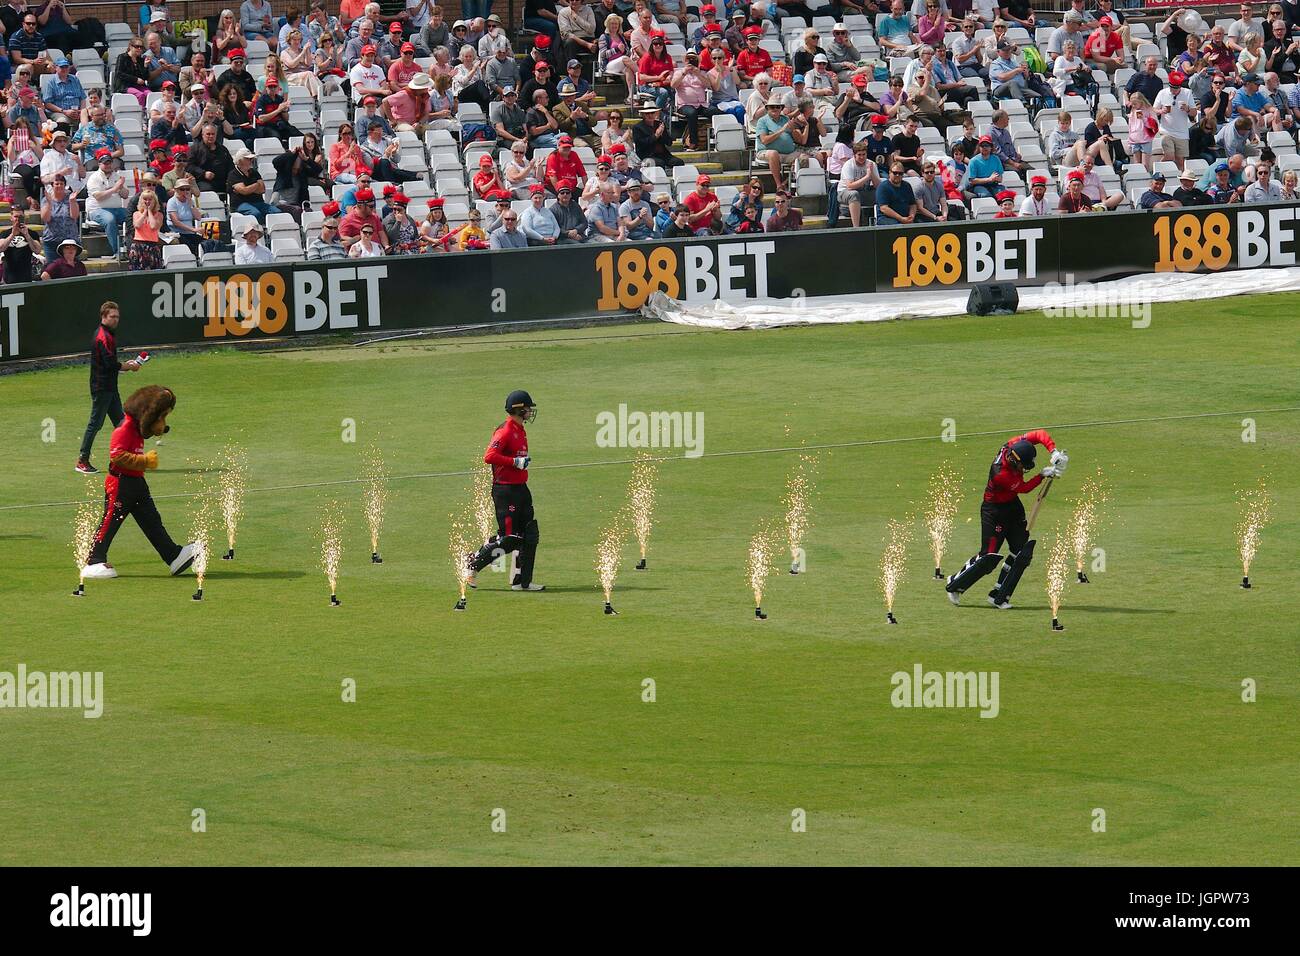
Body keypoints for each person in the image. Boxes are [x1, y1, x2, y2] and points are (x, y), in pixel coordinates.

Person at [80, 385, 198, 581]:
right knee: (110, 521)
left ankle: (173, 555)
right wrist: (144, 461)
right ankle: (94, 560)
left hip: (137, 482)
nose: (162, 422)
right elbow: (117, 456)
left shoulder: (136, 428)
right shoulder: (124, 428)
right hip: (120, 484)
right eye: (161, 416)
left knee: (152, 521)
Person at [944, 430, 1067, 609]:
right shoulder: (1001, 473)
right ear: (1014, 460)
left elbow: (1039, 434)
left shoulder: (1014, 444)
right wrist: (1042, 475)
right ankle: (955, 584)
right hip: (993, 512)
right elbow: (1023, 488)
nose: (1024, 469)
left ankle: (999, 596)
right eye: (1023, 466)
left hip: (1012, 506)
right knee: (988, 558)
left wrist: (1053, 451)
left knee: (1021, 552)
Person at [466, 391, 543, 591]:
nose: (530, 411)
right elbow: (489, 456)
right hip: (505, 490)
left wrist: (520, 463)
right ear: (519, 409)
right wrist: (514, 462)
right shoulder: (506, 431)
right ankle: (472, 564)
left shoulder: (520, 429)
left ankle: (522, 582)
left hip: (521, 488)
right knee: (510, 538)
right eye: (527, 408)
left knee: (529, 534)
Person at [75, 302, 143, 474]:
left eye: (117, 317)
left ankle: (125, 458)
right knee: (95, 424)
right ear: (103, 317)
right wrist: (129, 366)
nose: (115, 320)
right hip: (102, 387)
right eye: (112, 316)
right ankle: (82, 460)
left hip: (109, 387)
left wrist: (124, 368)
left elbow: (110, 365)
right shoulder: (103, 337)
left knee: (121, 423)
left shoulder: (107, 335)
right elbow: (110, 364)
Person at [40, 174, 80, 263]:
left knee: (70, 269)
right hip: (52, 240)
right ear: (52, 185)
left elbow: (74, 216)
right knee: (52, 270)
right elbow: (45, 218)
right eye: (56, 184)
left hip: (69, 241)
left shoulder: (70, 197)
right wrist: (49, 204)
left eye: (61, 184)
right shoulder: (46, 199)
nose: (59, 186)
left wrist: (72, 202)